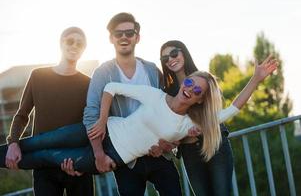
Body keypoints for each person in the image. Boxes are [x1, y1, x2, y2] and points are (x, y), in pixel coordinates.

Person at [0, 58, 277, 174]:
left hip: (114, 157)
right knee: (40, 141)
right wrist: (100, 120)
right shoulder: (156, 96)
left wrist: (256, 79)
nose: (190, 89)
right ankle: (8, 148)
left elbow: (231, 109)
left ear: (201, 99)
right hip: (102, 129)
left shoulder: (191, 123)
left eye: (197, 91)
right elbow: (110, 88)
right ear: (184, 83)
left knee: (49, 158)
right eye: (190, 83)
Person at [82, 12, 182, 195]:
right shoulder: (103, 73)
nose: (124, 37)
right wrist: (98, 154)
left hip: (157, 152)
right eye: (118, 34)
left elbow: (166, 108)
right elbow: (91, 113)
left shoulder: (152, 70)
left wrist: (168, 144)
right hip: (126, 156)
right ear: (111, 38)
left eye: (129, 33)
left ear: (137, 37)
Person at [157, 40, 261, 196]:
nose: (171, 60)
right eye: (165, 59)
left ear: (183, 52)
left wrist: (256, 78)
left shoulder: (204, 80)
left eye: (174, 54)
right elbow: (170, 128)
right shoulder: (167, 93)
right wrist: (176, 139)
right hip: (190, 152)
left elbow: (228, 110)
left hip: (215, 145)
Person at [4, 27, 94, 196]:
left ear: (83, 49)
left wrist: (85, 163)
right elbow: (22, 115)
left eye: (80, 43)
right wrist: (13, 143)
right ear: (61, 43)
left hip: (76, 164)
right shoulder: (38, 76)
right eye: (70, 41)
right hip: (44, 166)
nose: (74, 45)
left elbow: (91, 126)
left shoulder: (89, 84)